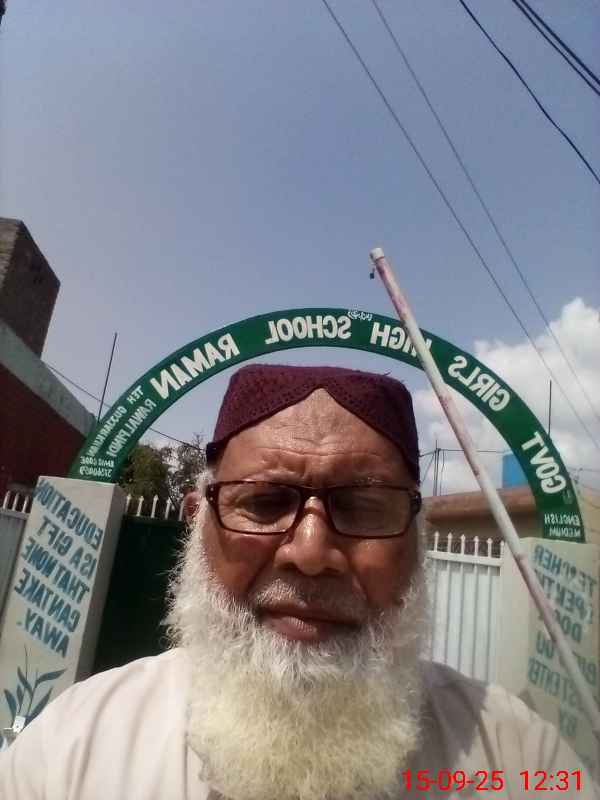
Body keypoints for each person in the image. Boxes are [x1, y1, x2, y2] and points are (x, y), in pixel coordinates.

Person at [0, 364, 597, 800]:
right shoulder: (73, 753)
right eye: (264, 502)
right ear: (198, 526)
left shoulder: (517, 759)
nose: (311, 553)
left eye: (364, 507)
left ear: (416, 545)